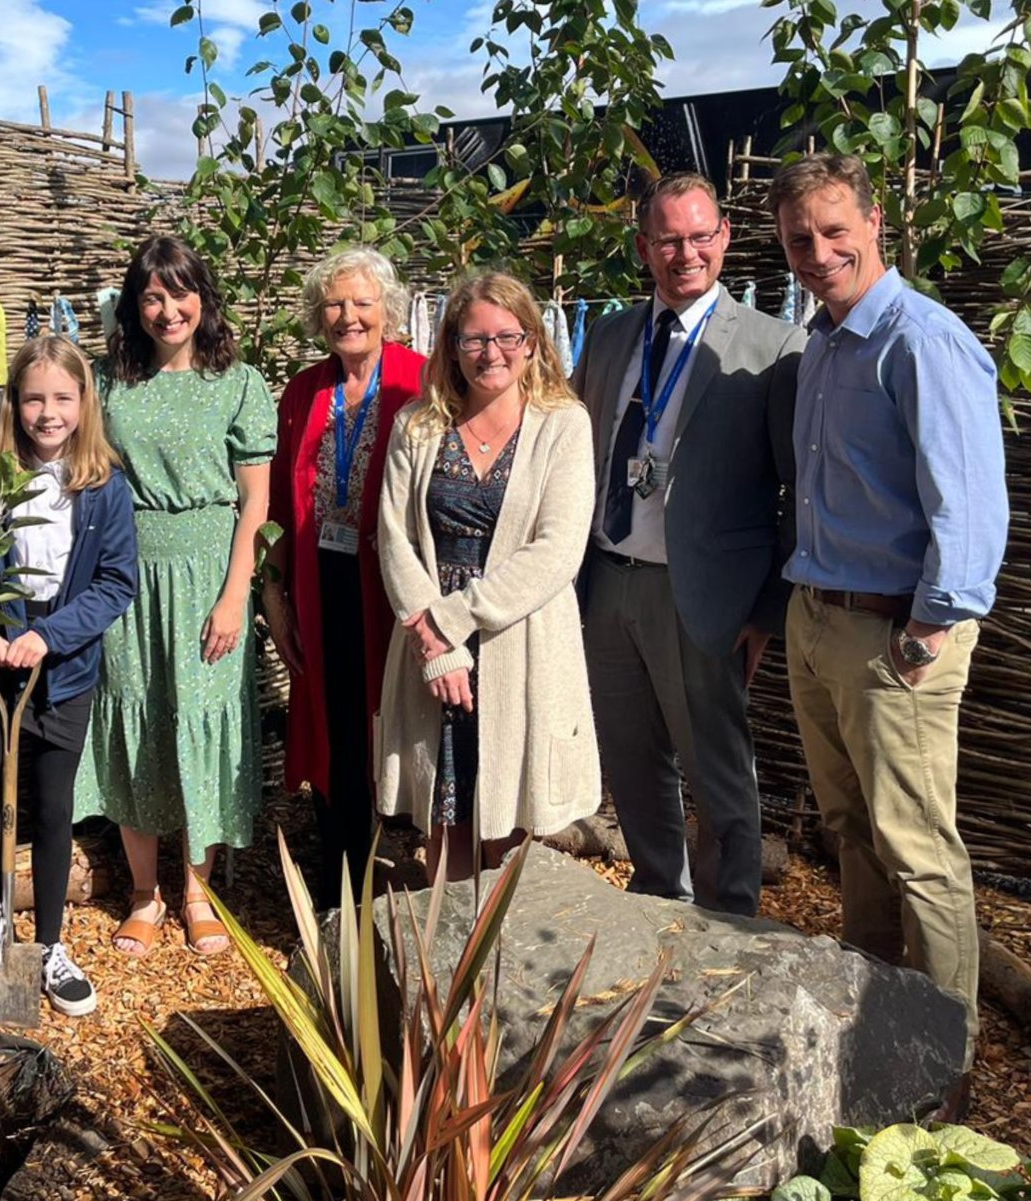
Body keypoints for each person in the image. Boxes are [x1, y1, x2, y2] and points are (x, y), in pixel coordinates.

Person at [770, 152, 1008, 1113]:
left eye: (835, 230)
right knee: (849, 831)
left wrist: (930, 626)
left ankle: (944, 1062)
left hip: (893, 638)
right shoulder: (825, 342)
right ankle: (871, 1008)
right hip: (819, 617)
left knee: (918, 848)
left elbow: (972, 502)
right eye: (799, 238)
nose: (819, 251)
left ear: (876, 222)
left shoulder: (921, 340)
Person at [570, 172, 805, 917]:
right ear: (644, 247)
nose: (686, 253)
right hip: (609, 582)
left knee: (718, 773)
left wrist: (768, 610)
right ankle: (653, 899)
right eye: (669, 239)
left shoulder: (774, 348)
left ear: (725, 238)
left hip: (703, 594)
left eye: (701, 236)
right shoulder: (609, 337)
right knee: (633, 762)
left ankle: (728, 921)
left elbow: (797, 492)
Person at [75, 234, 275, 957]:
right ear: (133, 305)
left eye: (180, 292)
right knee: (137, 720)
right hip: (130, 567)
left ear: (203, 298)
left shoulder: (240, 383)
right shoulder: (107, 381)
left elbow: (256, 505)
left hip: (209, 568)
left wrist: (234, 595)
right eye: (152, 295)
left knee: (201, 716)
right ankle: (143, 891)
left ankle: (196, 888)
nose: (167, 309)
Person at [376, 271, 601, 881]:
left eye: (507, 336)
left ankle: (503, 965)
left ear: (532, 343)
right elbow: (393, 537)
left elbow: (557, 551)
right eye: (474, 339)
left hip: (518, 640)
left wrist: (450, 621)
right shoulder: (417, 425)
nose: (490, 353)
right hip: (432, 646)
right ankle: (447, 966)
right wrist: (433, 642)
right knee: (443, 814)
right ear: (450, 345)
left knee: (511, 816)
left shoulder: (563, 425)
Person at [0, 336, 138, 1017]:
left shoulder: (104, 483)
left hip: (64, 666)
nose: (48, 412)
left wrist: (49, 636)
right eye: (34, 398)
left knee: (54, 806)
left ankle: (52, 944)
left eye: (62, 397)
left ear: (84, 401)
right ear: (14, 402)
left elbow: (117, 581)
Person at [264, 246, 424, 909]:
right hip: (320, 581)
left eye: (362, 302)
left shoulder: (421, 379)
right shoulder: (304, 391)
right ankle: (338, 888)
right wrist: (272, 595)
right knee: (334, 729)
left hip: (395, 586)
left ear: (387, 310)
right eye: (334, 303)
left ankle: (406, 876)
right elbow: (276, 499)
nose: (348, 315)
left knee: (394, 724)